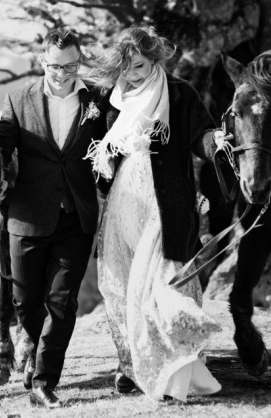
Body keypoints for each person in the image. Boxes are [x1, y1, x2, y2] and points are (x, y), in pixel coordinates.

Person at [87, 24, 223, 402]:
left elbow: (201, 135)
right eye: (125, 67)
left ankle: (178, 365)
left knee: (165, 280)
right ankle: (130, 364)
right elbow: (97, 142)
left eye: (140, 66)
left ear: (155, 60)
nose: (132, 74)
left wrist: (216, 142)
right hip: (123, 201)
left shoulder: (178, 93)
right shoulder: (110, 98)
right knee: (120, 284)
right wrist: (102, 164)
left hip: (167, 202)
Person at [0, 27, 108, 409]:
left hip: (76, 216)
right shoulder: (17, 100)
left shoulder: (97, 100)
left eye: (70, 66)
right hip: (26, 217)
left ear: (79, 62)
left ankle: (43, 381)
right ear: (43, 61)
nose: (62, 74)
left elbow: (115, 143)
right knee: (25, 302)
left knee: (61, 303)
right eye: (55, 66)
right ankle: (35, 350)